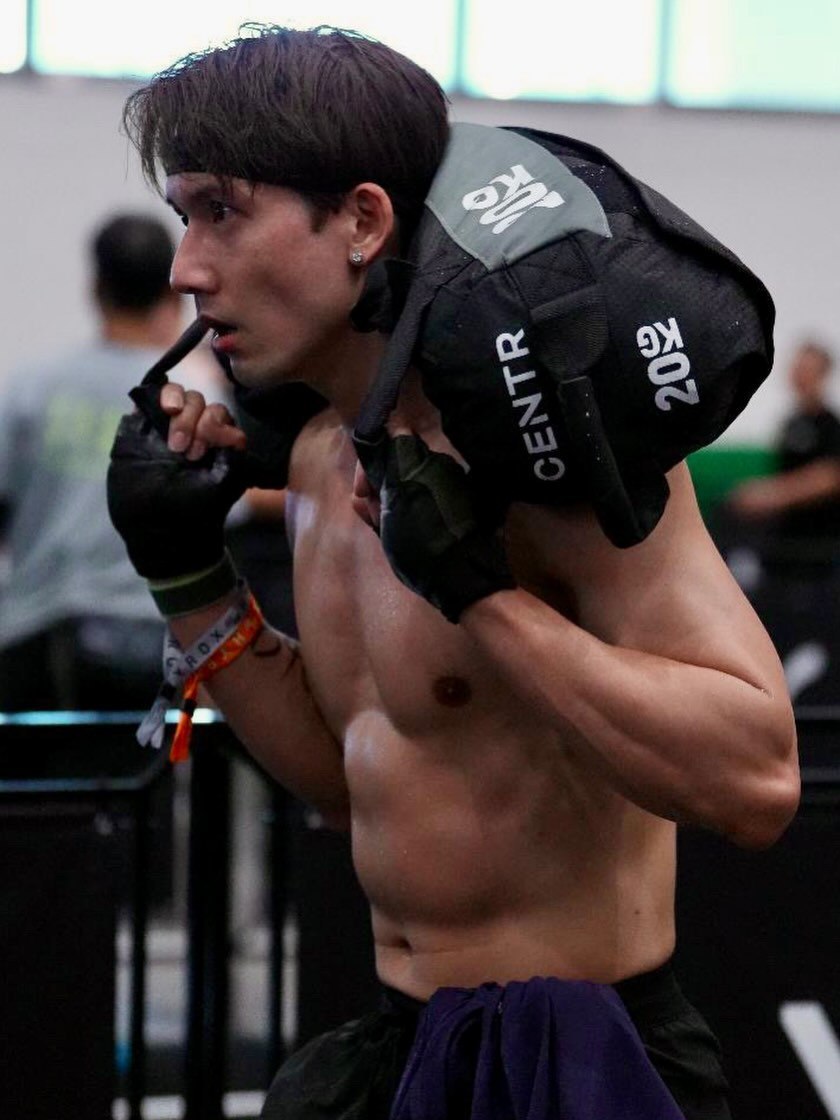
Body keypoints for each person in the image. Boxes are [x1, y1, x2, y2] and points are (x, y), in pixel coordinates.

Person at [106, 25, 800, 1120]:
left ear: (362, 221)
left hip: (582, 1055)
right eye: (184, 216)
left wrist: (485, 598)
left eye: (222, 212)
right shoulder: (325, 457)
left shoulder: (546, 460)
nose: (187, 267)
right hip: (405, 1036)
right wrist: (186, 574)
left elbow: (759, 779)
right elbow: (350, 779)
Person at [0, 213, 186, 710]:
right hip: (153, 638)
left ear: (96, 288)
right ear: (171, 295)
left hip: (35, 632)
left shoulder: (32, 387)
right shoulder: (187, 398)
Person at [727, 341, 840, 558]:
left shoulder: (830, 425)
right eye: (797, 368)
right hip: (786, 532)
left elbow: (830, 477)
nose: (800, 375)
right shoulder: (791, 423)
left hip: (820, 540)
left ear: (822, 375)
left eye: (807, 370)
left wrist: (773, 496)